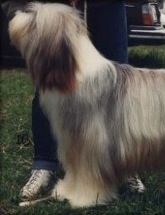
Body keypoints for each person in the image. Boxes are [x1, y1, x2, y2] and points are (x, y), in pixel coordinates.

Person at [18, 0, 145, 202]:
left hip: (108, 6)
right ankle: (45, 164)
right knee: (50, 80)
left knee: (117, 85)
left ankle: (123, 166)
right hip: (58, 7)